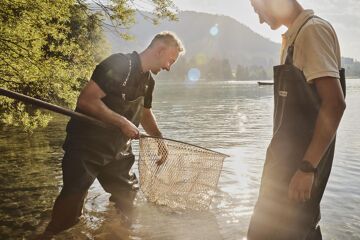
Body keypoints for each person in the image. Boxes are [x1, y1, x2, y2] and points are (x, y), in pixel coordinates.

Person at [38, 31, 185, 239]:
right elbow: (87, 100)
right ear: (160, 50)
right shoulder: (118, 64)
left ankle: (117, 232)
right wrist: (122, 122)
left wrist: (159, 140)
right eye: (170, 60)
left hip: (118, 149)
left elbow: (144, 112)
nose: (169, 67)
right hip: (86, 146)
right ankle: (48, 234)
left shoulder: (148, 81)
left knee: (127, 196)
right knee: (71, 209)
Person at [247, 1, 346, 239]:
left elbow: (334, 104)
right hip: (283, 166)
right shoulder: (294, 36)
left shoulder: (313, 31)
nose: (259, 19)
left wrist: (307, 168)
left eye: (258, 10)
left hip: (297, 169)